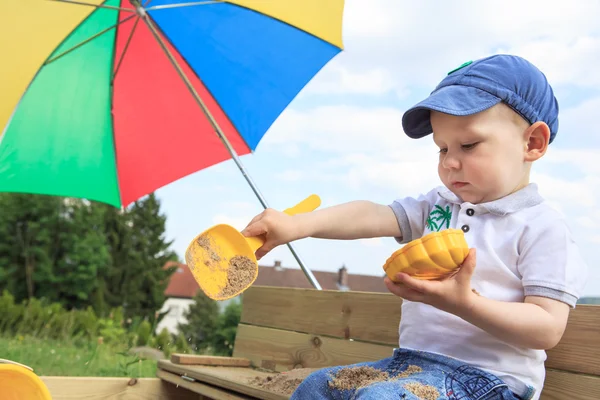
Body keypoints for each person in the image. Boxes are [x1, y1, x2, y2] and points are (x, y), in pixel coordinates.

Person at [241, 54, 588, 400]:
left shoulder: (541, 227)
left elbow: (546, 328)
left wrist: (465, 303)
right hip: (409, 366)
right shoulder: (438, 205)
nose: (450, 162)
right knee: (315, 388)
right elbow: (371, 215)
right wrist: (297, 225)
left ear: (533, 143)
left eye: (469, 145)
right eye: (441, 148)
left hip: (490, 381)